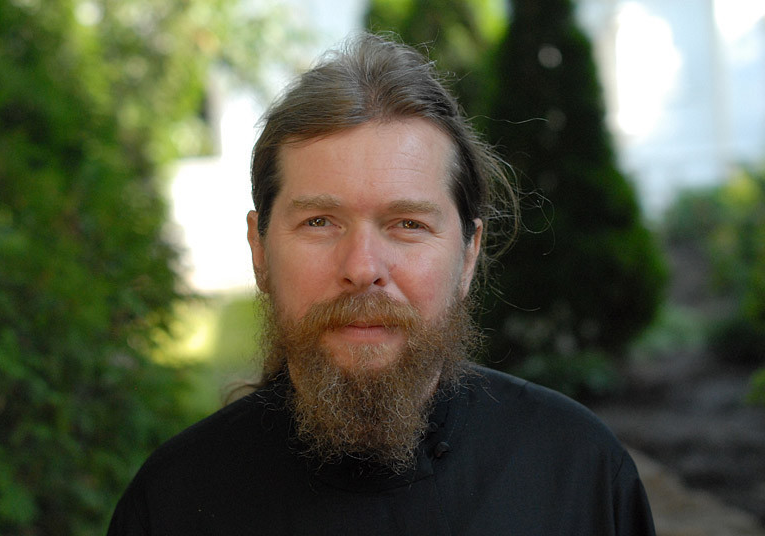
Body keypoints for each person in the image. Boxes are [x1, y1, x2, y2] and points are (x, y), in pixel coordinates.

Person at [107, 33, 656, 535]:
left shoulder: (578, 477)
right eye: (319, 222)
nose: (363, 266)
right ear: (259, 250)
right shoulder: (172, 504)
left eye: (408, 224)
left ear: (468, 255)